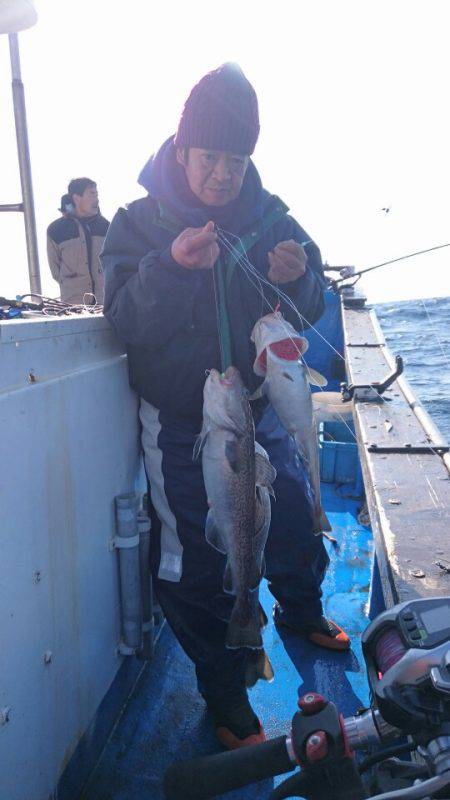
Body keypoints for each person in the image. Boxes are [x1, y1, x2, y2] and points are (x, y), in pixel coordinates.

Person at [101, 64, 350, 751]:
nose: (222, 174)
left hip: (258, 403)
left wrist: (302, 275)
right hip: (183, 423)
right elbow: (122, 314)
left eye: (236, 159)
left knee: (294, 517)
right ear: (181, 150)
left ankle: (301, 611)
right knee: (196, 560)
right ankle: (228, 688)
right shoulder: (139, 223)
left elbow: (313, 298)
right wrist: (173, 267)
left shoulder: (271, 218)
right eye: (210, 156)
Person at [47, 178, 109, 304]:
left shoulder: (107, 227)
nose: (96, 199)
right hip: (72, 306)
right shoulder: (55, 230)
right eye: (92, 194)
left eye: (97, 194)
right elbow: (56, 271)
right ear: (76, 198)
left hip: (105, 305)